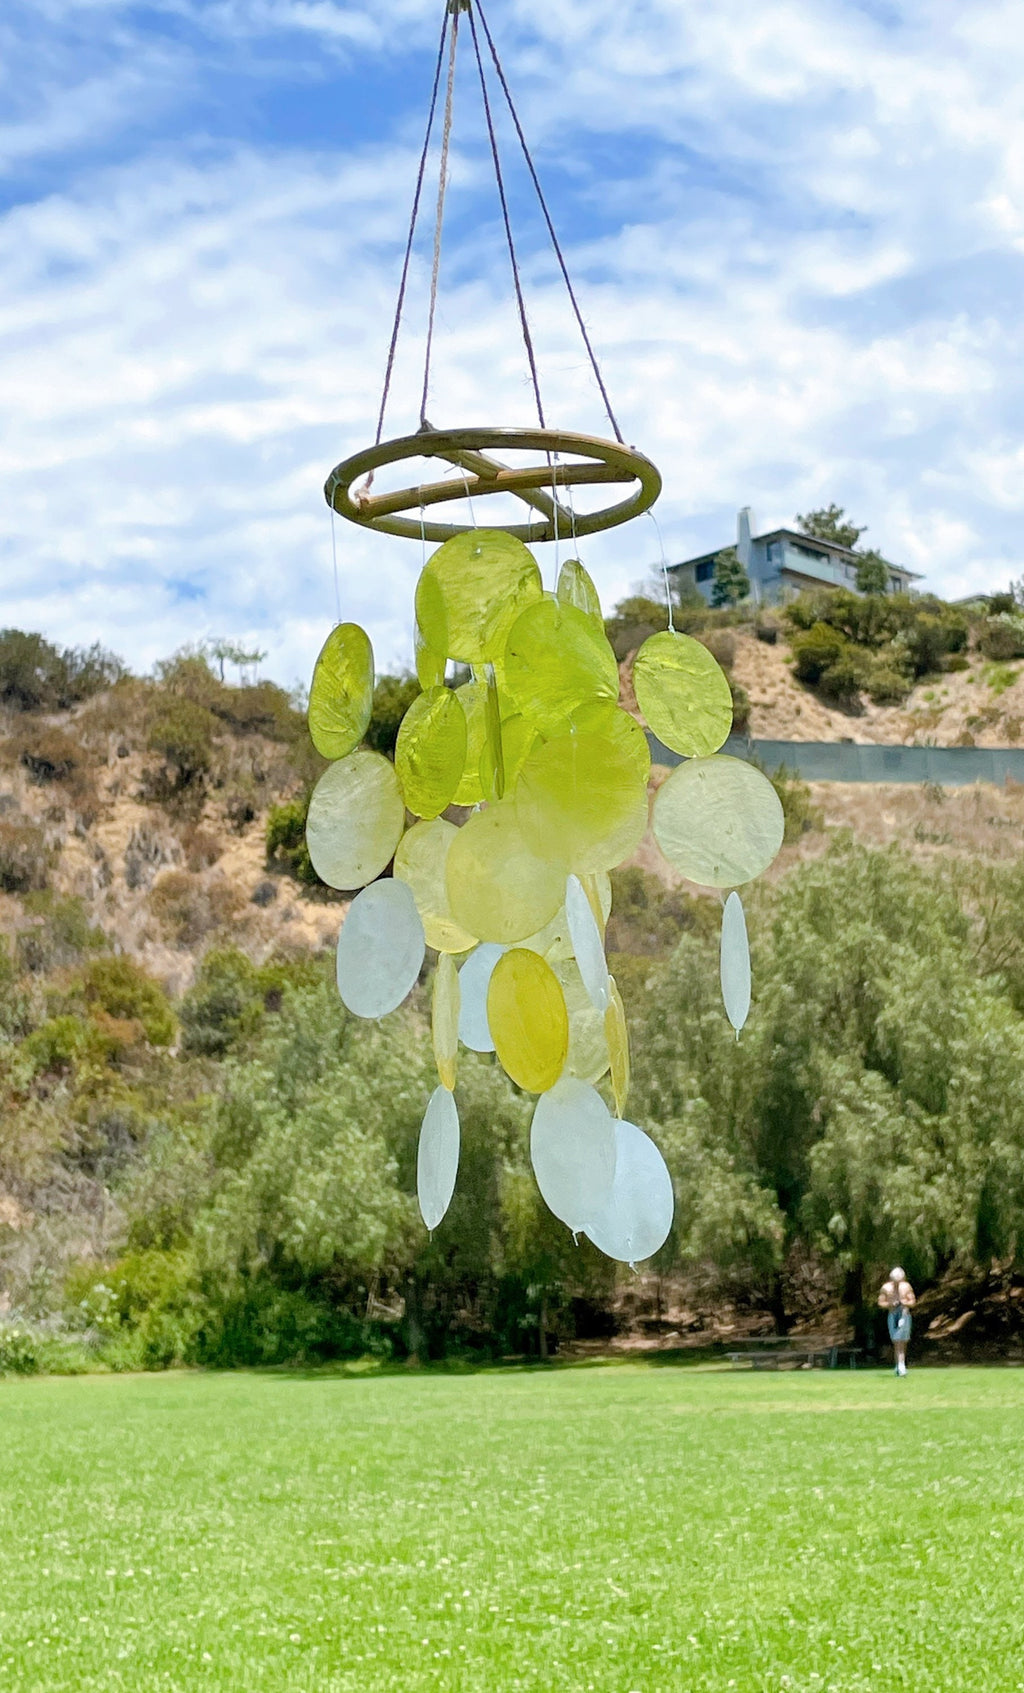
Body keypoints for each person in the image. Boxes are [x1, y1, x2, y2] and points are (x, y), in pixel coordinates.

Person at [877, 1267, 916, 1375]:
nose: (897, 1284)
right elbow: (880, 1303)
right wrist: (890, 1304)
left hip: (904, 1314)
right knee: (896, 1340)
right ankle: (899, 1365)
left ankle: (901, 1365)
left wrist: (904, 1302)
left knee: (902, 1341)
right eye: (895, 1281)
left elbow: (912, 1301)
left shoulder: (906, 1287)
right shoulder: (886, 1288)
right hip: (893, 1314)